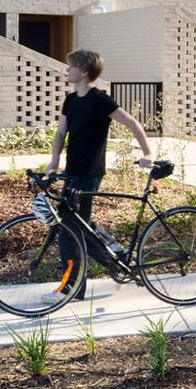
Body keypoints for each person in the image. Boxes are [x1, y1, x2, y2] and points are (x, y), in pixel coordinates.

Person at [45, 48, 155, 298]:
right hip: (73, 171)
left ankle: (71, 288)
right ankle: (119, 259)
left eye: (70, 66)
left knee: (68, 227)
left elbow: (132, 123)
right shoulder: (71, 101)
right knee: (77, 225)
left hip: (90, 172)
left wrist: (148, 152)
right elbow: (62, 133)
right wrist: (54, 161)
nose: (66, 69)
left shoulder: (99, 99)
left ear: (83, 71)